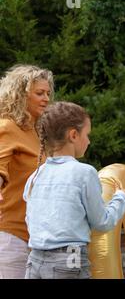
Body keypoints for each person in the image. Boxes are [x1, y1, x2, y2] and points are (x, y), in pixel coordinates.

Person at [23, 101, 125, 279]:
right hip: (70, 258)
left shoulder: (35, 176)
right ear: (73, 135)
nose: (89, 141)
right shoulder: (84, 173)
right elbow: (102, 222)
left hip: (35, 260)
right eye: (87, 134)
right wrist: (121, 199)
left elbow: (30, 219)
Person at [0, 65, 54, 278]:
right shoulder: (6, 127)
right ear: (19, 95)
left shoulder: (38, 132)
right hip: (9, 235)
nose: (46, 98)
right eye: (39, 93)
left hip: (36, 239)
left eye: (48, 93)